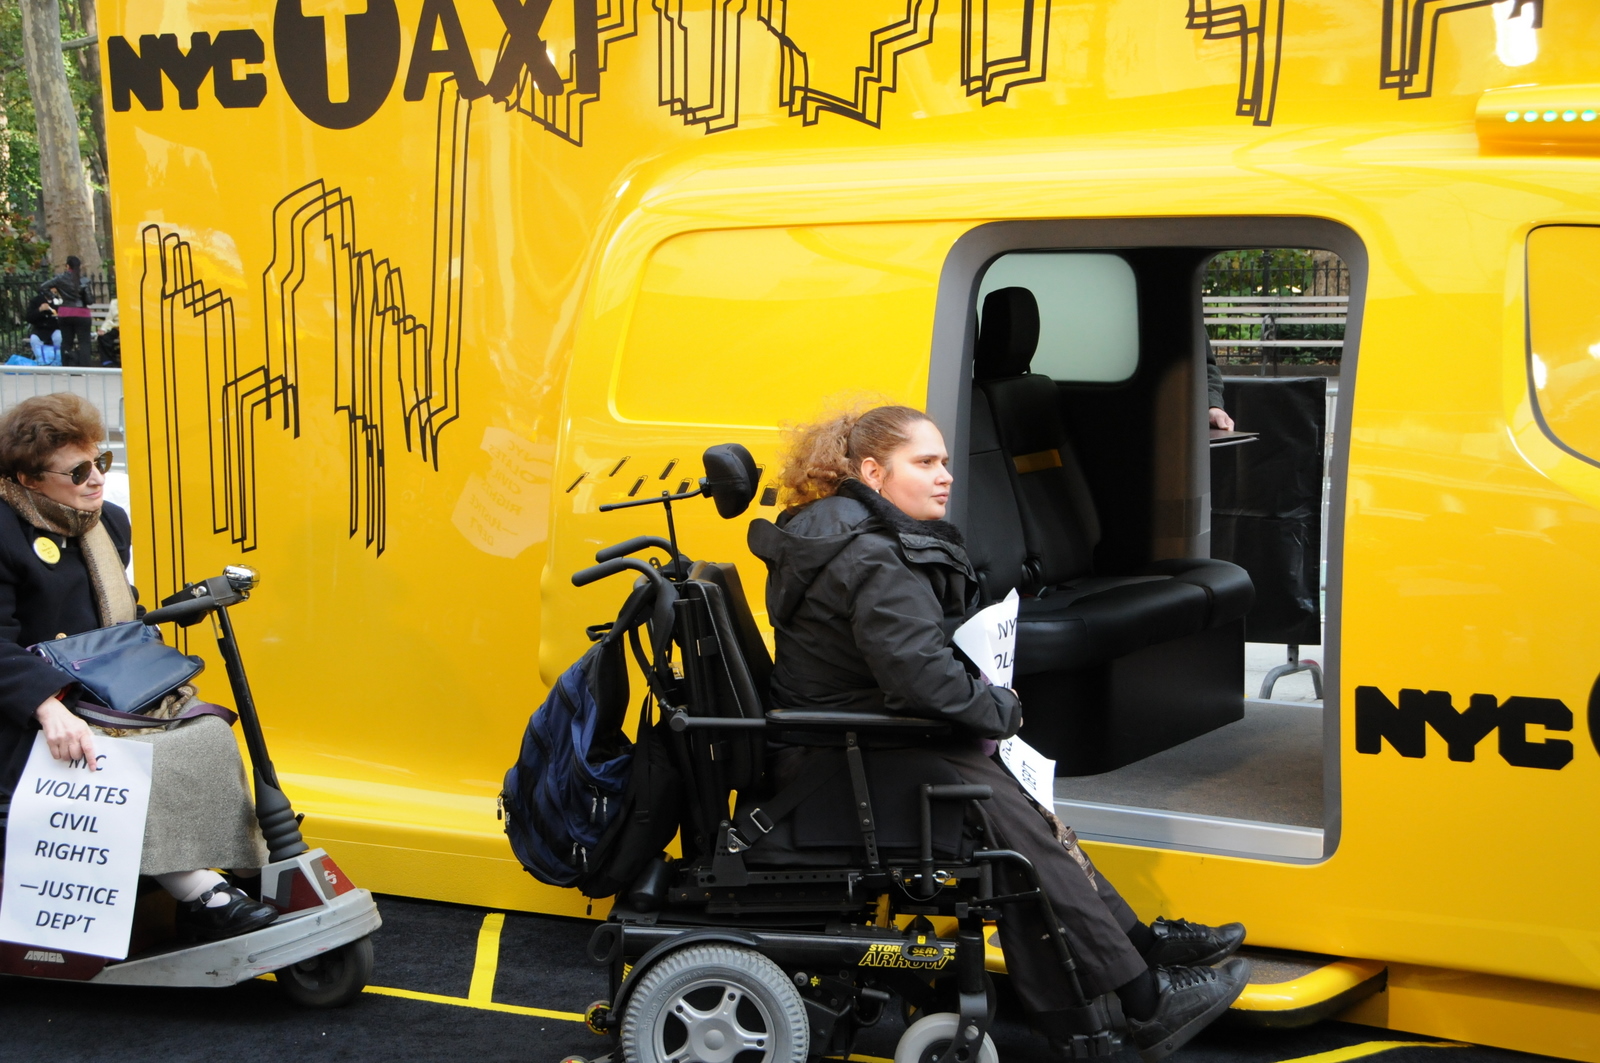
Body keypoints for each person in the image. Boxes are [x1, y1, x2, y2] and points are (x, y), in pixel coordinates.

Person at [749, 404, 1251, 1061]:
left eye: (945, 462)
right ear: (873, 471)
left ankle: (1132, 965)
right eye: (925, 463)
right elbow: (921, 679)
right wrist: (1002, 709)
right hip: (843, 764)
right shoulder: (872, 559)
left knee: (1017, 809)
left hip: (850, 745)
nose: (946, 476)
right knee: (1011, 824)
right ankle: (1144, 996)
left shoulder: (843, 538)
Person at [0, 394, 277, 940]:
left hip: (96, 687)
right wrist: (48, 708)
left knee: (205, 734)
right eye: (77, 471)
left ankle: (245, 867)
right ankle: (199, 891)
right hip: (23, 709)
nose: (95, 479)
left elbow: (116, 615)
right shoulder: (3, 532)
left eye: (100, 462)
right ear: (29, 479)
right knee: (126, 757)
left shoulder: (108, 524)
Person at [42, 256, 93, 368]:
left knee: (66, 342)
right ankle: (86, 368)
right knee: (84, 342)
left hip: (65, 313)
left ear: (67, 266)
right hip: (82, 314)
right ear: (79, 267)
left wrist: (55, 298)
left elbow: (43, 287)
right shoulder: (84, 280)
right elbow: (89, 301)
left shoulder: (60, 279)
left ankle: (66, 366)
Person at [23, 289, 62, 366]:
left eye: (55, 292)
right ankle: (41, 361)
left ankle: (57, 361)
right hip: (39, 329)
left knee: (59, 337)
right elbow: (29, 318)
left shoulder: (58, 301)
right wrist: (39, 310)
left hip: (54, 328)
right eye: (52, 292)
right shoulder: (36, 301)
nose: (53, 294)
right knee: (34, 339)